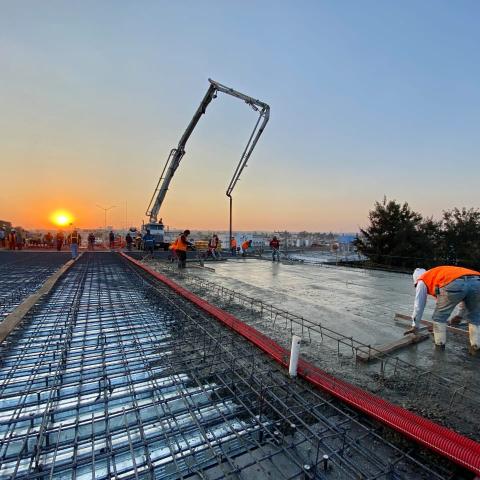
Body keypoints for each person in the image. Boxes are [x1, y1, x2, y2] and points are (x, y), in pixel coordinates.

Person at [405, 266, 480, 353]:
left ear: (417, 280)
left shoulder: (422, 280)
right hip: (477, 281)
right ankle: (476, 347)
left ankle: (439, 350)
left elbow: (419, 305)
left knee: (439, 318)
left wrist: (415, 325)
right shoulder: (439, 273)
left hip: (455, 283)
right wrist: (459, 316)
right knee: (475, 318)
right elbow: (466, 292)